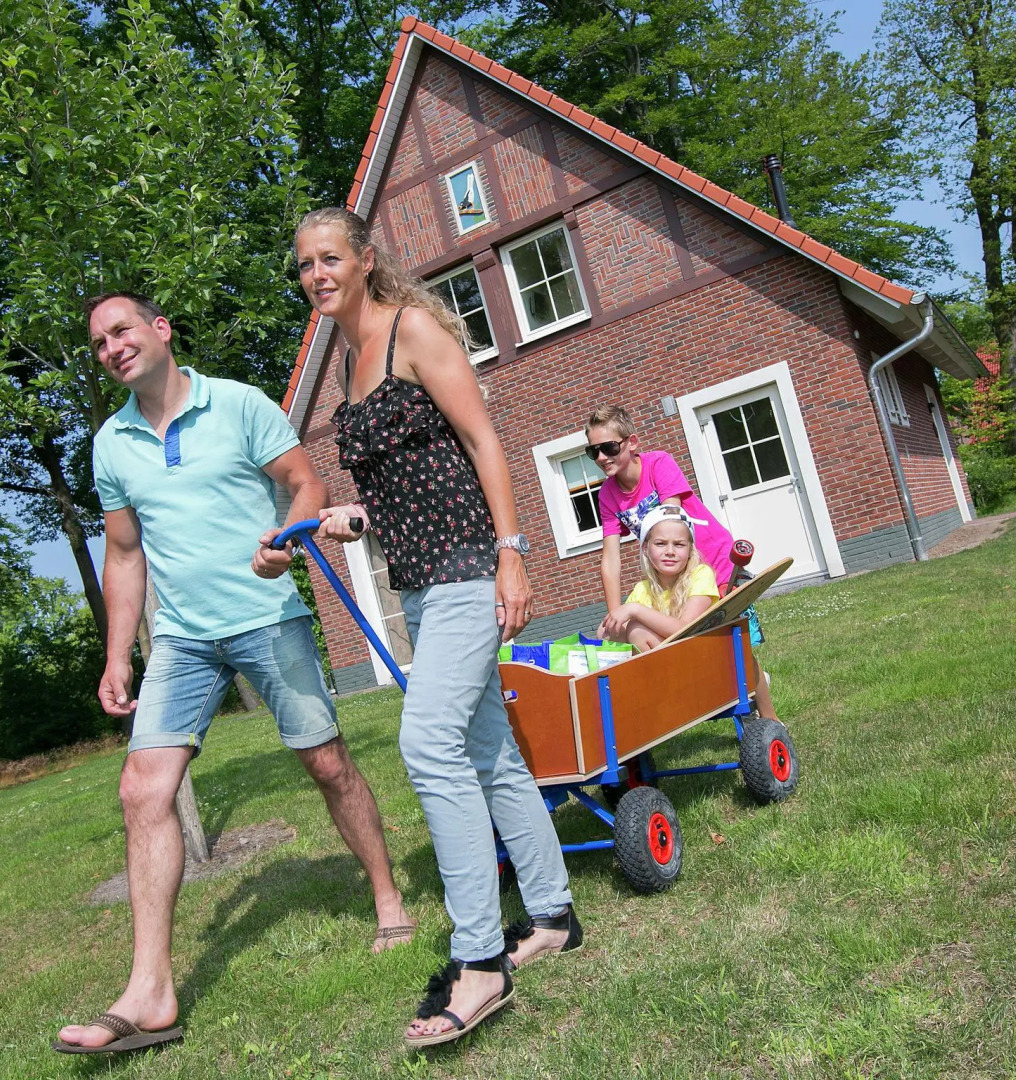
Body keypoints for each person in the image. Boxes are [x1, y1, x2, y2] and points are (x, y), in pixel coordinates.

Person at [53, 293, 412, 1055]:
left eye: (120, 331)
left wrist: (285, 536)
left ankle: (387, 898)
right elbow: (124, 554)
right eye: (97, 344)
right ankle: (150, 991)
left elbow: (304, 483)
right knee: (141, 790)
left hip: (265, 614)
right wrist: (118, 656)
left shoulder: (239, 404)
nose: (110, 348)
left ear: (160, 329)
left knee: (325, 762)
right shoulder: (111, 444)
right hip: (180, 640)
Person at [297, 207, 582, 1048]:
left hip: (468, 566)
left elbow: (484, 442)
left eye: (330, 258)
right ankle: (555, 913)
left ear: (365, 260)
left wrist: (513, 552)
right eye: (306, 263)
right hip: (419, 582)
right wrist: (355, 517)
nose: (317, 274)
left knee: (429, 745)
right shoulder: (350, 363)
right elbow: (407, 477)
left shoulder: (412, 330)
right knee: (487, 747)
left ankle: (480, 960)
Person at [587, 404, 777, 717]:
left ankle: (770, 717)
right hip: (672, 572)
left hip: (713, 564)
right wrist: (617, 617)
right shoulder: (607, 494)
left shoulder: (657, 464)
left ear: (632, 442)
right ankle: (723, 690)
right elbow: (611, 558)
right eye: (592, 452)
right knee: (685, 643)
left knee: (735, 644)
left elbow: (671, 521)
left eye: (608, 448)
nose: (601, 458)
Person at [598, 505, 718, 649]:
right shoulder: (642, 589)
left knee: (637, 631)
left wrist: (635, 610)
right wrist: (611, 627)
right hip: (668, 659)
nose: (670, 551)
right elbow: (605, 634)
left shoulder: (701, 575)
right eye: (660, 544)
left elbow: (686, 629)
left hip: (701, 655)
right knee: (612, 632)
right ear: (645, 548)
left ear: (690, 549)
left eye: (679, 544)